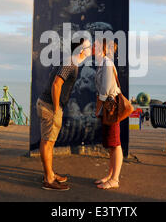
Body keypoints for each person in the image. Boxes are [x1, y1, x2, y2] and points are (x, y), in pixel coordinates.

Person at [37, 37, 92, 191]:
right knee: (47, 142)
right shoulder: (70, 63)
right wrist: (56, 109)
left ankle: (50, 173)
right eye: (88, 46)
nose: (90, 49)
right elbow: (56, 84)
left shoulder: (72, 62)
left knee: (49, 141)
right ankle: (48, 179)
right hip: (50, 107)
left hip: (49, 105)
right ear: (81, 50)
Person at [94, 39, 123, 190]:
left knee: (115, 143)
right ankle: (110, 175)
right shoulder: (103, 63)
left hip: (110, 108)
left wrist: (97, 109)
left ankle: (115, 179)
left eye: (96, 45)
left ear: (102, 48)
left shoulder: (107, 63)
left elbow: (104, 91)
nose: (93, 47)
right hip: (108, 107)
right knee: (111, 144)